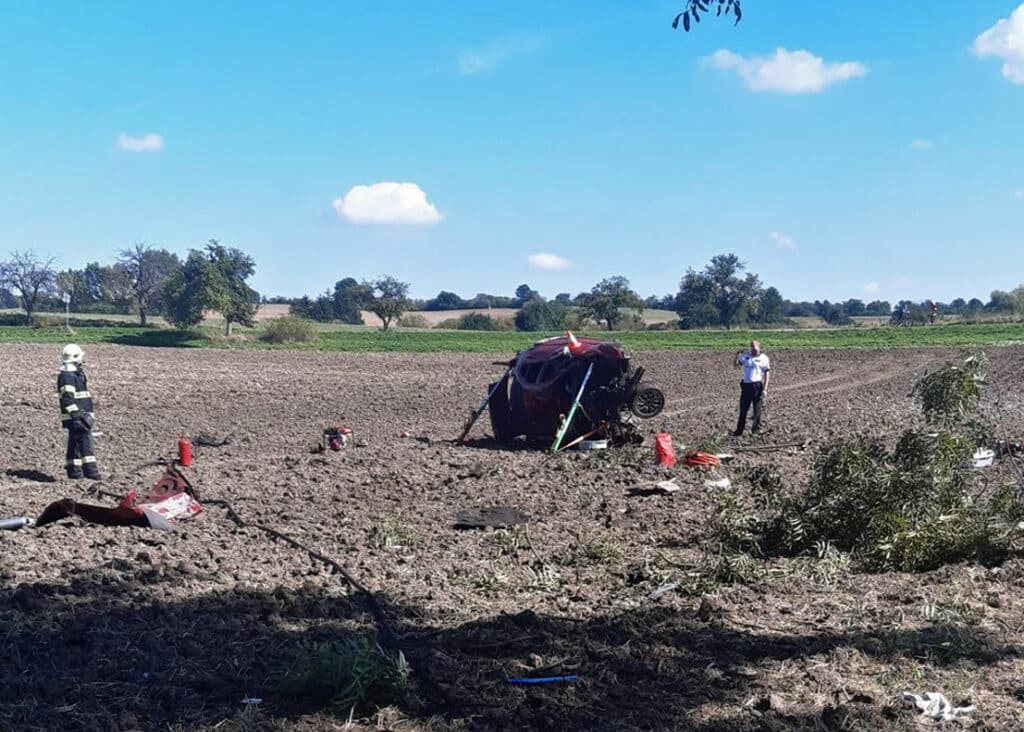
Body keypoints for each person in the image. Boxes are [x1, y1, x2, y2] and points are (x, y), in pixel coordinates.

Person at [57, 343, 100, 480]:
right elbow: (67, 399)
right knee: (85, 443)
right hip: (78, 417)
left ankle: (74, 472)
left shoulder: (74, 374)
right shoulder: (68, 376)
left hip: (78, 416)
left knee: (75, 443)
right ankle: (91, 473)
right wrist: (78, 416)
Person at [732, 339, 770, 436]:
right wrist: (736, 356)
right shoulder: (746, 356)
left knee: (757, 410)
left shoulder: (764, 358)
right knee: (743, 409)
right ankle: (739, 431)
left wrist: (765, 389)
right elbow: (736, 365)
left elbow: (767, 374)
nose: (753, 350)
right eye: (752, 348)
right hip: (746, 386)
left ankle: (756, 430)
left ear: (759, 348)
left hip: (757, 386)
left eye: (755, 349)